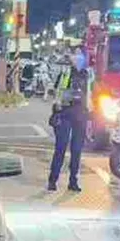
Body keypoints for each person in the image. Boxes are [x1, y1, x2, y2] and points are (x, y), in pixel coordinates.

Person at [48, 49, 90, 192]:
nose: (79, 58)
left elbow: (90, 94)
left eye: (81, 56)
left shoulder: (88, 75)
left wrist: (91, 114)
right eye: (76, 56)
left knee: (77, 151)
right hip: (65, 114)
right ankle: (52, 180)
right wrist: (58, 107)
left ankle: (73, 181)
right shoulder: (65, 73)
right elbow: (56, 92)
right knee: (60, 148)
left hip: (81, 115)